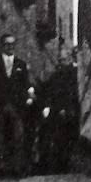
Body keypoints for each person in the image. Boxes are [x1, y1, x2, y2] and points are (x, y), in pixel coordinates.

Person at [0, 32, 34, 177]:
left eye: (12, 44)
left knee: (18, 136)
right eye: (7, 44)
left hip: (16, 106)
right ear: (2, 46)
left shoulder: (20, 64)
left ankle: (16, 167)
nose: (10, 47)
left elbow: (26, 84)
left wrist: (24, 100)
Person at [37, 46, 80, 174]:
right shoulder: (57, 74)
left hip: (71, 111)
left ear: (70, 59)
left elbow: (72, 94)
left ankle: (65, 165)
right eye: (60, 60)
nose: (61, 62)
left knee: (65, 138)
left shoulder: (75, 74)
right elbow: (48, 89)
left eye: (64, 59)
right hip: (57, 111)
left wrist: (64, 108)